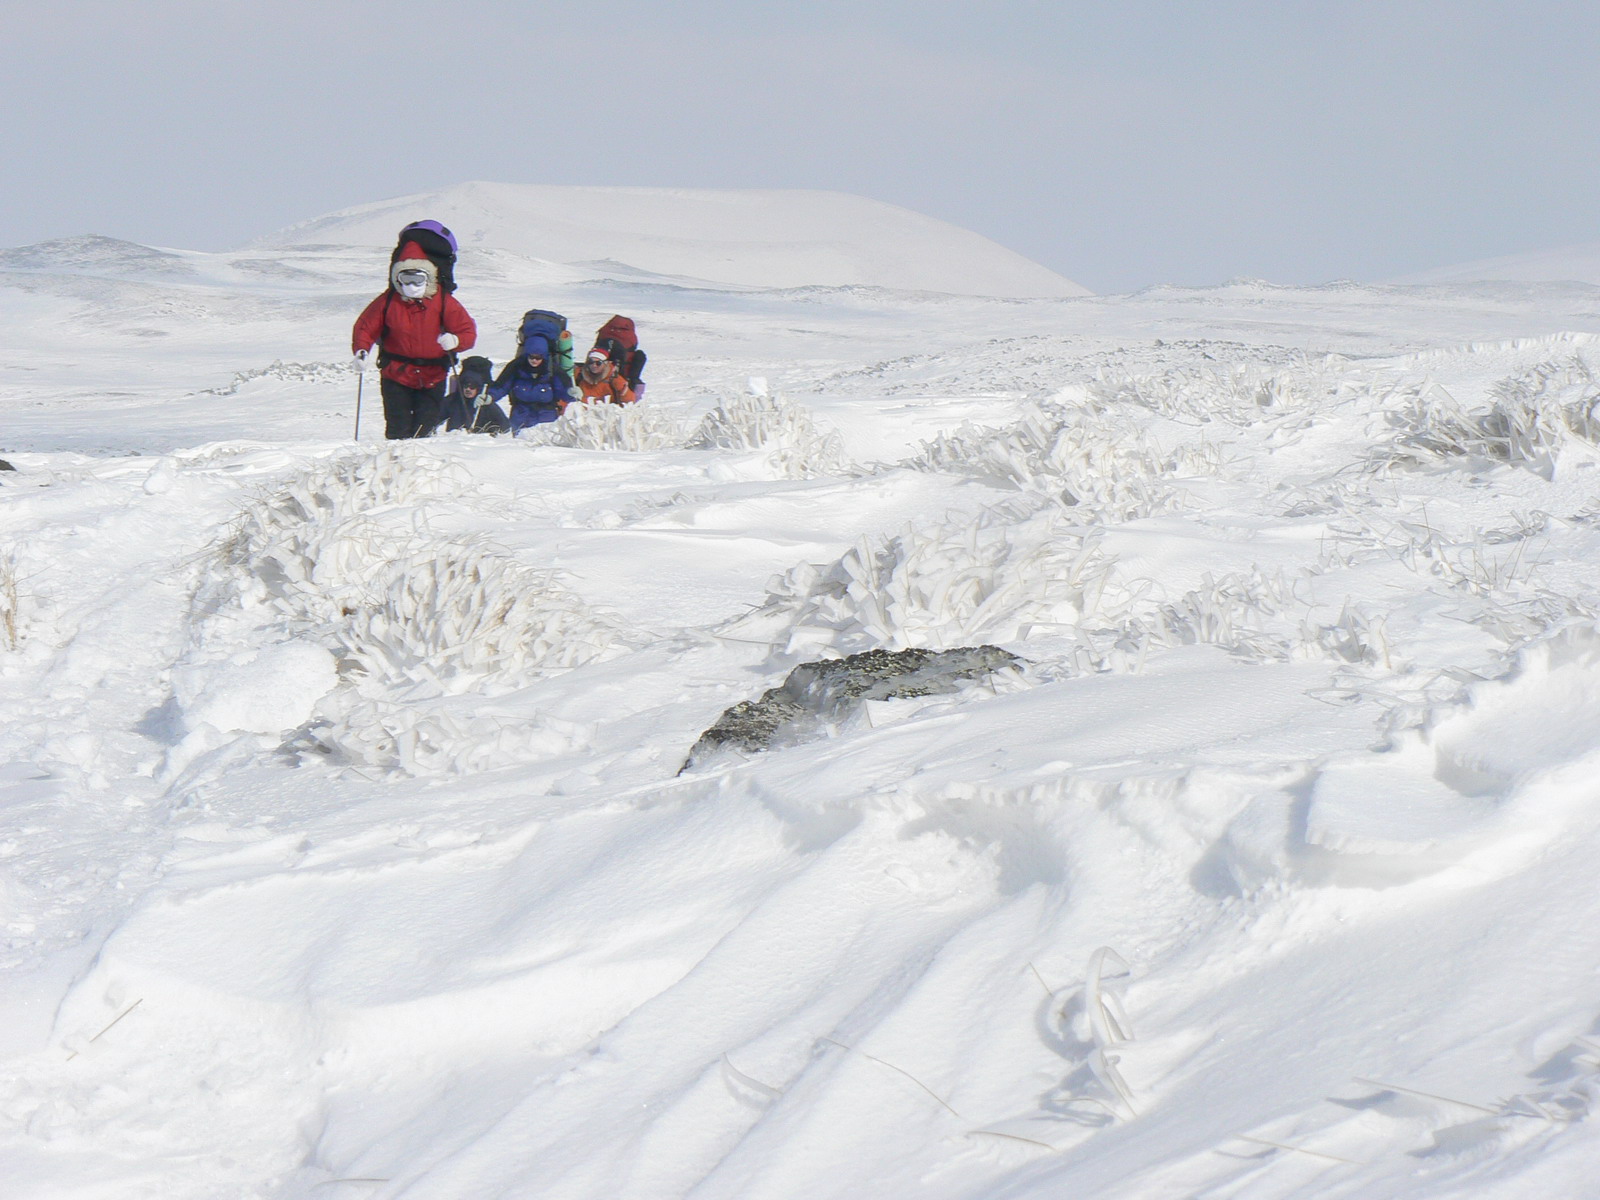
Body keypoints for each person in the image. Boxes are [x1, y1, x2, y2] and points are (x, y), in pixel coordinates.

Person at [351, 241, 477, 439]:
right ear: (396, 278)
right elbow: (365, 327)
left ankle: (419, 468)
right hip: (395, 375)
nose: (411, 285)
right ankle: (394, 466)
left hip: (432, 376)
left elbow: (467, 332)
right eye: (405, 278)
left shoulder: (443, 301)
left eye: (417, 279)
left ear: (428, 278)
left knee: (424, 429)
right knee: (396, 428)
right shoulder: (387, 301)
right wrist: (361, 350)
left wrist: (456, 341)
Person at [489, 337, 573, 433]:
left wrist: (571, 393)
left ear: (544, 356)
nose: (534, 360)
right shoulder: (516, 367)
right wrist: (490, 396)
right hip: (520, 416)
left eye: (538, 358)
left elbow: (563, 390)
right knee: (516, 446)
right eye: (531, 357)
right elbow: (502, 386)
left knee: (547, 447)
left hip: (546, 418)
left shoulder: (552, 369)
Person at [441, 355, 509, 433]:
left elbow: (505, 426)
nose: (468, 389)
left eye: (472, 386)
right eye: (465, 385)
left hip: (477, 443)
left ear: (479, 388)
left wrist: (490, 432)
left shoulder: (487, 405)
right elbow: (435, 419)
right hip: (454, 442)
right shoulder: (451, 401)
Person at [572, 347, 636, 406]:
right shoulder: (578, 375)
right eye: (591, 362)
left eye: (598, 363)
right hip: (582, 415)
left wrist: (623, 394)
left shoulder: (614, 379)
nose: (594, 365)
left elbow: (629, 402)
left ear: (605, 363)